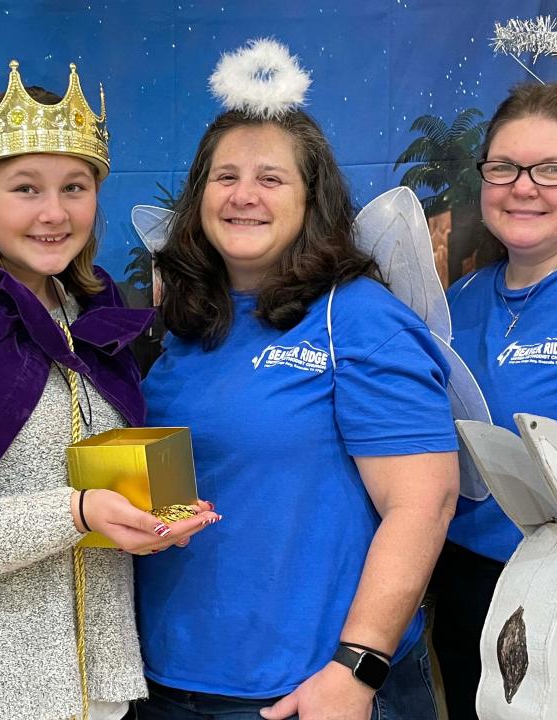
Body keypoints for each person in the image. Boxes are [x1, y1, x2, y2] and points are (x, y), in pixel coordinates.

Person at [0, 59, 220, 720]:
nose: (55, 213)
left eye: (75, 187)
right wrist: (78, 513)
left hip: (98, 695)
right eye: (25, 188)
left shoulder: (92, 314)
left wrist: (152, 514)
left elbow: (104, 481)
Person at [132, 39, 459, 720]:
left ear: (313, 199)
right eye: (225, 177)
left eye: (270, 178)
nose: (243, 195)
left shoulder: (359, 318)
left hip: (311, 692)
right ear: (199, 197)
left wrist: (358, 668)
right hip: (172, 680)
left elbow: (423, 502)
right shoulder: (187, 326)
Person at [434, 82, 557, 720]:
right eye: (503, 167)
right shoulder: (461, 299)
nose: (523, 186)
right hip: (466, 580)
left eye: (553, 168)